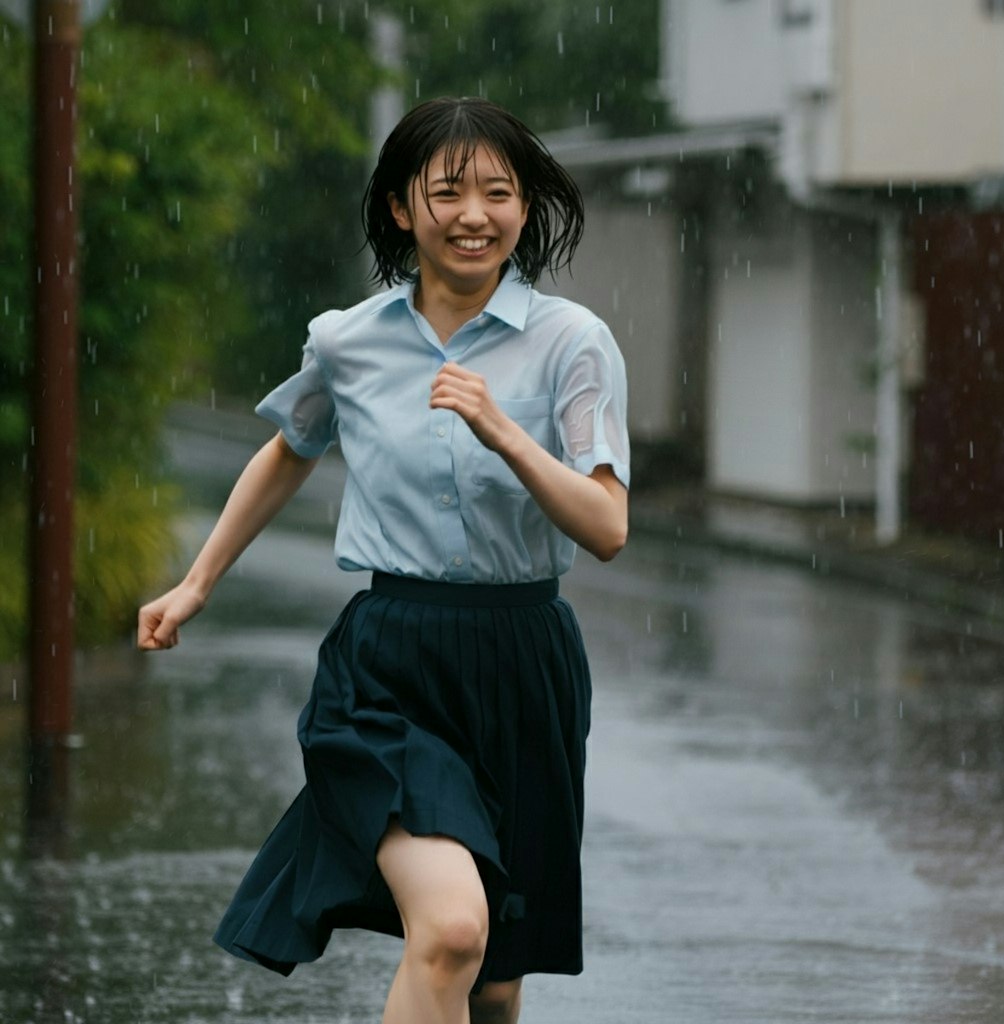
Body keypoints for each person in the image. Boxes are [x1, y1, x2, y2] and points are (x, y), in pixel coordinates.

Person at [138, 96, 629, 1024]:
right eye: (449, 192)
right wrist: (197, 582)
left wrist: (504, 434)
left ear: (525, 209)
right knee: (448, 930)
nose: (475, 214)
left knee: (493, 975)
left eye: (499, 192)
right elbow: (291, 446)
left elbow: (606, 526)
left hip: (525, 661)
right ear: (404, 208)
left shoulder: (573, 343)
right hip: (388, 668)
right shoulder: (349, 339)